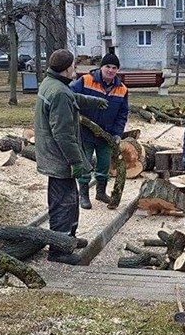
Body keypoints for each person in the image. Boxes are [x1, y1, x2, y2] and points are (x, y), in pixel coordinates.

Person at [34, 49, 108, 265]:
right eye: (73, 66)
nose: (75, 69)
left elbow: (72, 98)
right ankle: (58, 250)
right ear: (66, 69)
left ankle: (69, 239)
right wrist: (76, 162)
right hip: (59, 157)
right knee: (63, 203)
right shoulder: (59, 92)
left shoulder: (51, 83)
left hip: (54, 154)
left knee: (70, 199)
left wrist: (92, 101)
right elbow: (64, 134)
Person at [70, 52, 129, 209]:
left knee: (104, 164)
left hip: (106, 134)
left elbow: (122, 114)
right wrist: (76, 115)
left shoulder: (122, 89)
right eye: (107, 66)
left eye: (114, 68)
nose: (110, 70)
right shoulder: (86, 81)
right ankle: (83, 194)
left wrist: (117, 133)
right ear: (101, 67)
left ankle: (101, 192)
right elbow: (69, 95)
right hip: (85, 131)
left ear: (117, 70)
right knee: (85, 163)